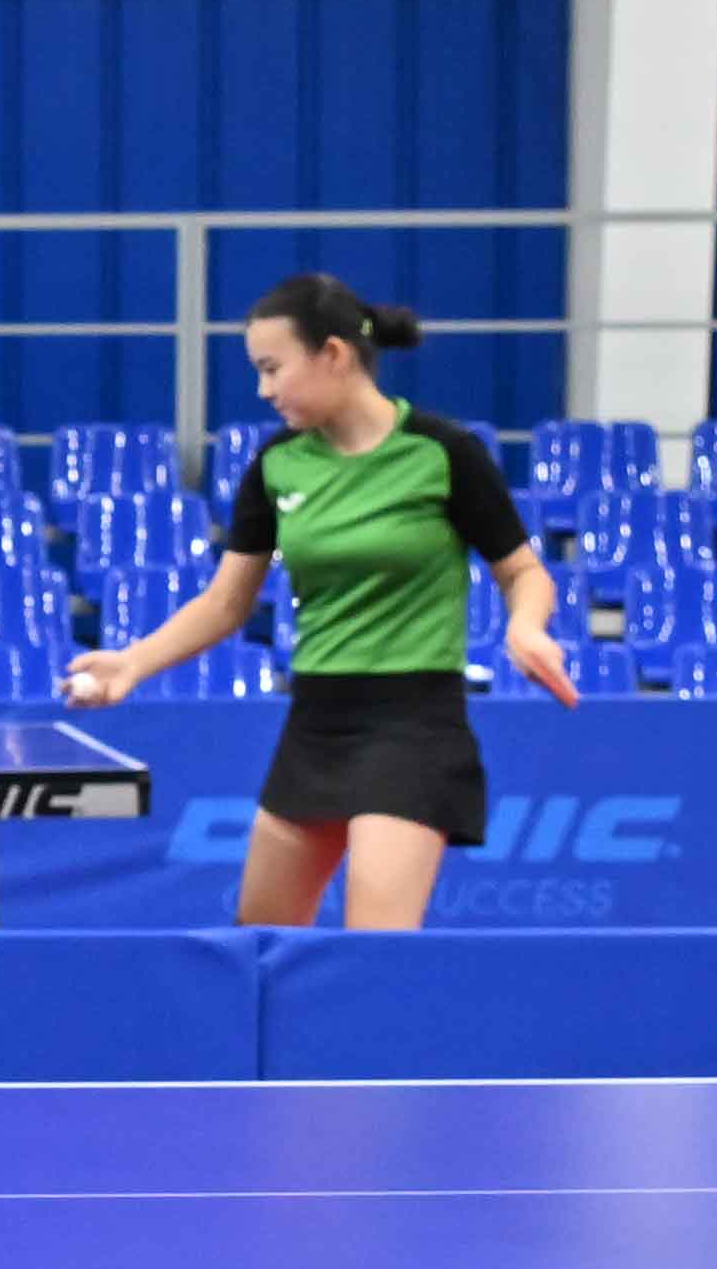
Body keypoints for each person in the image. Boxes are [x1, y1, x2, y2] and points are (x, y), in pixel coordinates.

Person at [61, 274, 580, 929]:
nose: (263, 390)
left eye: (272, 368)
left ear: (333, 354)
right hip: (317, 720)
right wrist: (132, 663)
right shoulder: (277, 465)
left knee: (372, 950)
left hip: (414, 722)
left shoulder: (442, 453)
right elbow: (226, 602)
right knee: (262, 943)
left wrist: (526, 627)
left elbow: (524, 571)